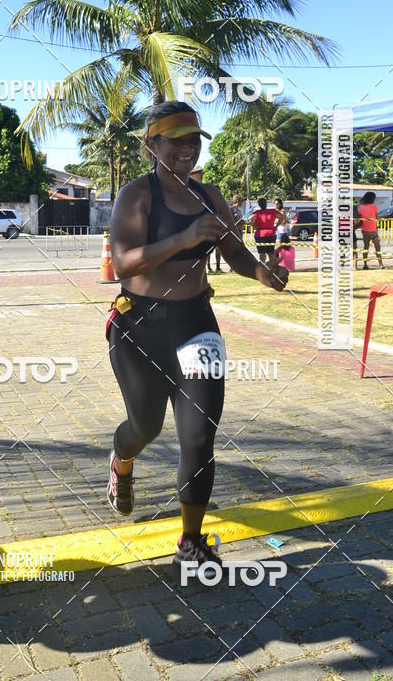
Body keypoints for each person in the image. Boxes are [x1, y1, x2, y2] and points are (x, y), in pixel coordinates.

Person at [106, 102, 288, 574]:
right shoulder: (136, 196)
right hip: (138, 327)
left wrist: (263, 273)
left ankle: (190, 540)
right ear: (152, 145)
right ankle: (122, 462)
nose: (187, 148)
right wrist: (184, 239)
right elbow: (123, 264)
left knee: (198, 436)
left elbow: (233, 253)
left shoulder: (210, 195)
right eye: (176, 140)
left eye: (193, 139)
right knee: (144, 428)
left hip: (196, 324)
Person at [358, 191, 385, 269]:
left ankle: (365, 264)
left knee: (366, 247)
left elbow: (360, 217)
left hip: (364, 229)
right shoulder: (374, 206)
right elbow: (377, 217)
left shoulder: (361, 207)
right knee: (377, 247)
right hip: (373, 230)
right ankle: (381, 264)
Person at [249, 197, 279, 264]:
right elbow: (282, 216)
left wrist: (254, 227)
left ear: (259, 204)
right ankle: (274, 268)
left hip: (260, 234)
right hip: (271, 234)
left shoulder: (257, 213)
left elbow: (249, 219)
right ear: (266, 203)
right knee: (271, 253)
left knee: (262, 254)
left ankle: (263, 268)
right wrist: (276, 226)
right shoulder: (272, 211)